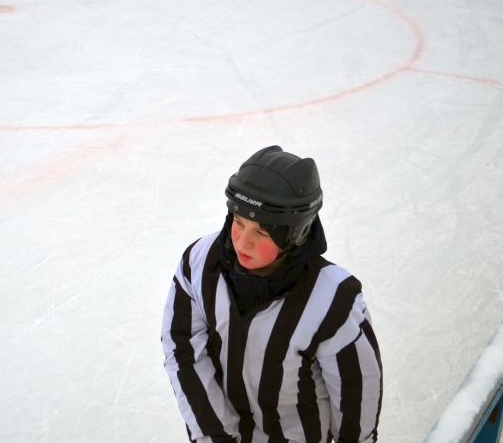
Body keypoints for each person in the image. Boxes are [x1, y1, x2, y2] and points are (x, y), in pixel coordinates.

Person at [161, 145, 382, 443]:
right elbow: (184, 349)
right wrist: (214, 436)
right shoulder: (199, 263)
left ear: (296, 234)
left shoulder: (333, 301)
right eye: (238, 223)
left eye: (262, 233)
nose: (243, 242)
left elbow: (355, 393)